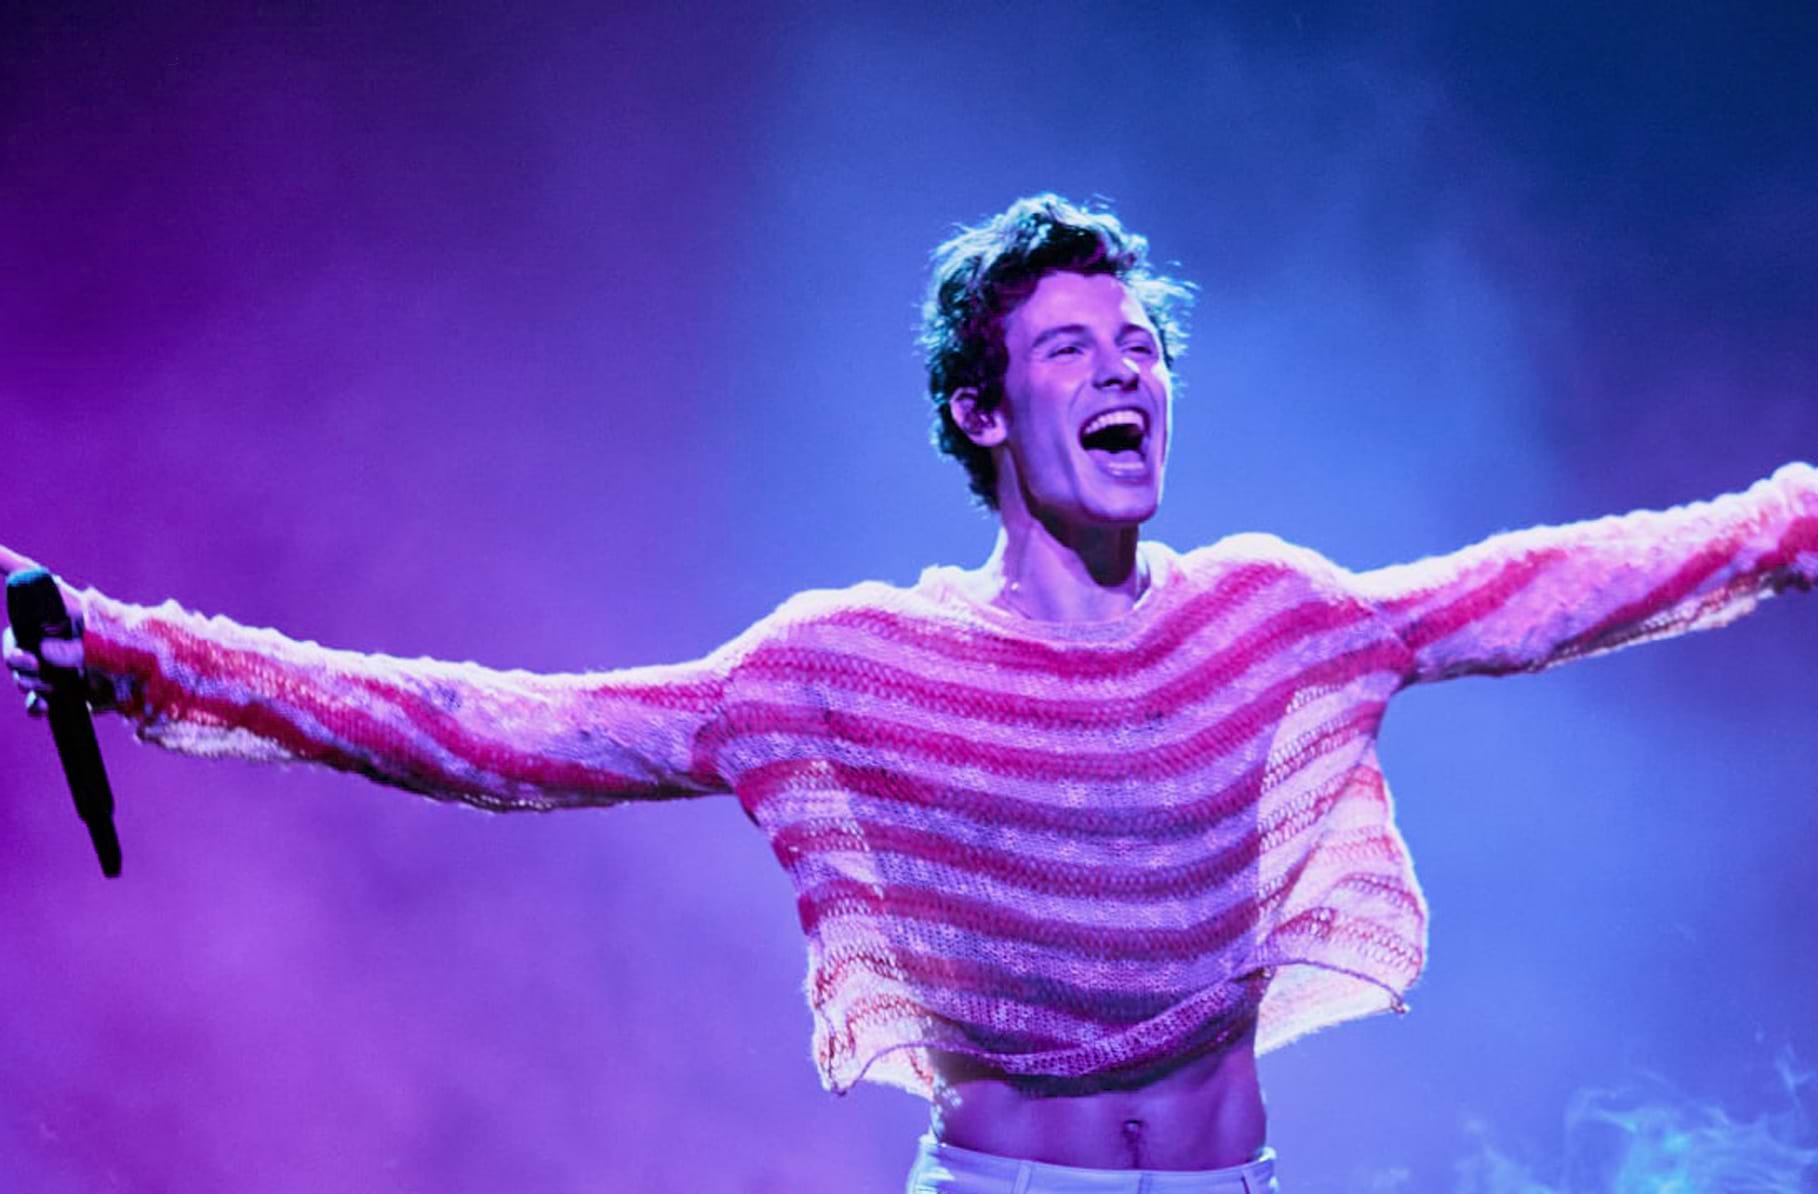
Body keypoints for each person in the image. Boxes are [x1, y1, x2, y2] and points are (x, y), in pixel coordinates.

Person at [5, 194, 1814, 1194]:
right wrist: (146, 649)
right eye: (1071, 354)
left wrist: (1791, 518)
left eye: (1143, 351)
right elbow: (506, 729)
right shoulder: (845, 663)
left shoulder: (1275, 613)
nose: (1128, 377)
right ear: (977, 412)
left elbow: (1544, 588)